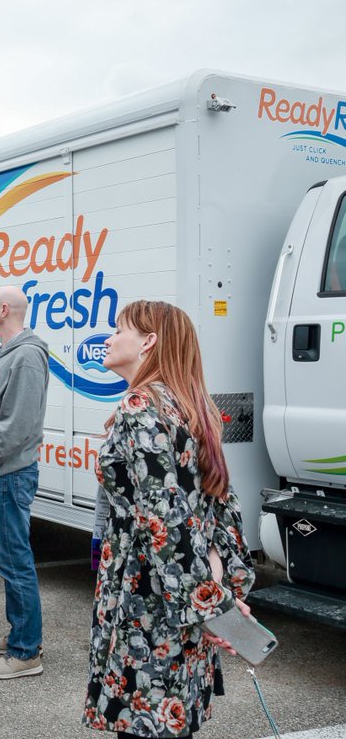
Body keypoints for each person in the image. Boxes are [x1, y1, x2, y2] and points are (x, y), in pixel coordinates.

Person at [84, 301, 255, 738]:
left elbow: (165, 522)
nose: (109, 337)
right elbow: (222, 508)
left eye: (119, 329)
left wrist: (213, 607)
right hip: (183, 600)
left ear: (148, 341)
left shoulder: (141, 406)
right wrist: (222, 593)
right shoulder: (189, 406)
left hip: (150, 601)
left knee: (147, 722)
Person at [0, 286, 49, 679]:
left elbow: (16, 428)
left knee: (15, 561)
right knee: (8, 560)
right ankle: (21, 631)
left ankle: (25, 651)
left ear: (4, 309)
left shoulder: (27, 357)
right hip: (1, 472)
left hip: (8, 472)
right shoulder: (10, 353)